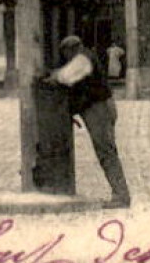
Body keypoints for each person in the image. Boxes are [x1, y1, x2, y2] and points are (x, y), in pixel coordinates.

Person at [48, 35, 131, 208]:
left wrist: (52, 77)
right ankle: (120, 193)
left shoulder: (83, 59)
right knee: (107, 151)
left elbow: (65, 76)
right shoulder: (86, 56)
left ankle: (121, 196)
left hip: (98, 109)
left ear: (70, 49)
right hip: (100, 108)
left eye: (66, 53)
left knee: (106, 152)